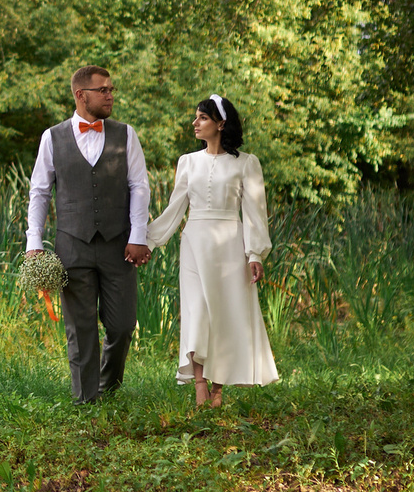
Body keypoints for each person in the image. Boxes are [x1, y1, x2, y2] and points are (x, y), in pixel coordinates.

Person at [25, 65, 150, 403]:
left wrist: (138, 235)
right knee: (80, 328)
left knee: (122, 325)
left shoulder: (126, 134)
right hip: (72, 245)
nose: (110, 95)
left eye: (111, 89)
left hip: (118, 244)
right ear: (81, 95)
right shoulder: (52, 137)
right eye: (103, 90)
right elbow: (40, 191)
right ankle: (86, 400)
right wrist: (34, 242)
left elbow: (139, 186)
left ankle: (108, 387)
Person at [146, 94, 277, 406]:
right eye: (196, 117)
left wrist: (255, 254)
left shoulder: (246, 163)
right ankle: (200, 385)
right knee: (197, 311)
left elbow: (255, 212)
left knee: (225, 313)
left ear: (221, 123)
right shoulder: (187, 162)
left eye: (202, 118)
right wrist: (145, 240)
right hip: (194, 243)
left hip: (230, 246)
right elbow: (175, 208)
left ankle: (218, 390)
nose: (195, 123)